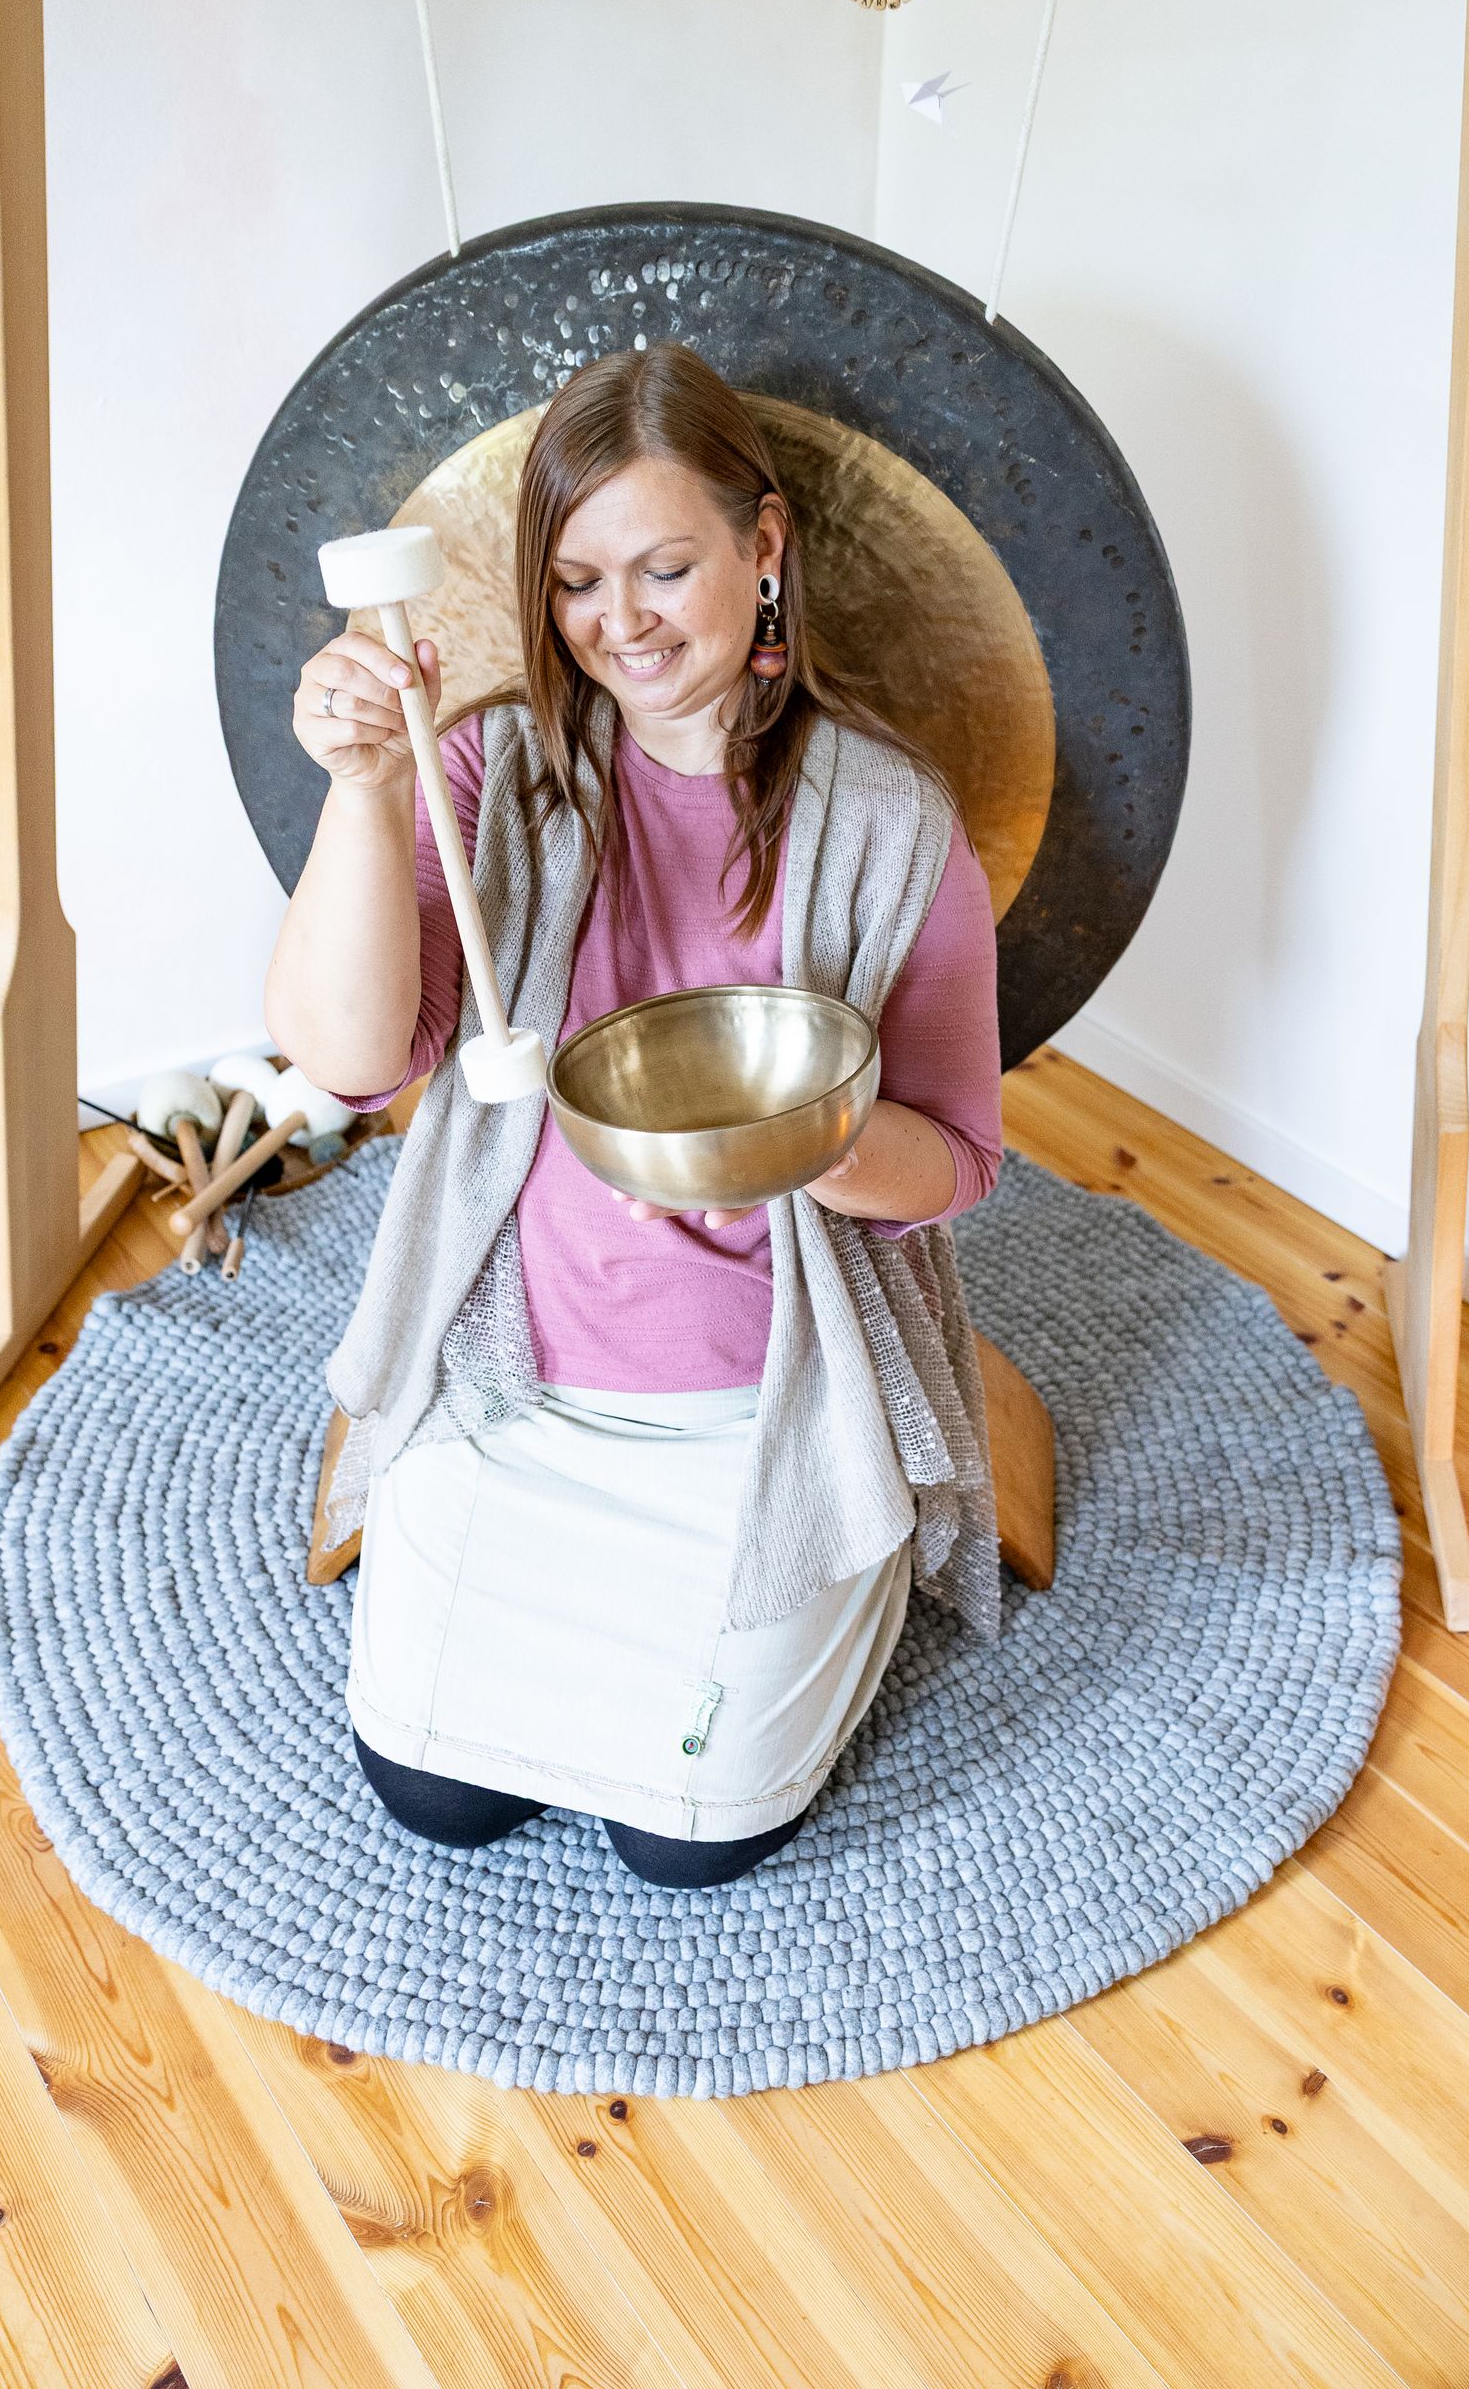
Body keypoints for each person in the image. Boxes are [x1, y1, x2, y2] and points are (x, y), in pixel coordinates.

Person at [266, 341, 1003, 1890]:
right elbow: (348, 1062)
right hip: (514, 1382)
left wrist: (812, 1144)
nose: (623, 623)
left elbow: (961, 1161)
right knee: (436, 1797)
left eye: (666, 566)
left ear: (766, 544)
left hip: (763, 1412)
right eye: (580, 582)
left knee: (689, 1851)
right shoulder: (496, 773)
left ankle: (844, 1583)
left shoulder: (889, 822)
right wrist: (366, 788)